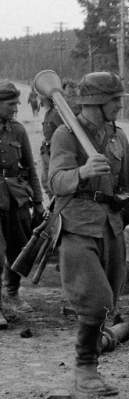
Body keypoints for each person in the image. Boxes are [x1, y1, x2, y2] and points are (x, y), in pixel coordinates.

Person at [48, 71, 129, 396]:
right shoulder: (66, 134)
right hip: (78, 225)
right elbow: (56, 181)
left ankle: (93, 359)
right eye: (115, 100)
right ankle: (85, 369)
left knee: (109, 302)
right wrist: (83, 172)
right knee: (96, 300)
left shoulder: (118, 136)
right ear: (97, 103)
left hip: (112, 226)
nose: (119, 106)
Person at [0, 80, 44, 316]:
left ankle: (12, 292)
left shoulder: (18, 130)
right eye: (10, 104)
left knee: (19, 249)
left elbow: (30, 167)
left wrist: (38, 201)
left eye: (17, 103)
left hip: (17, 198)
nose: (15, 108)